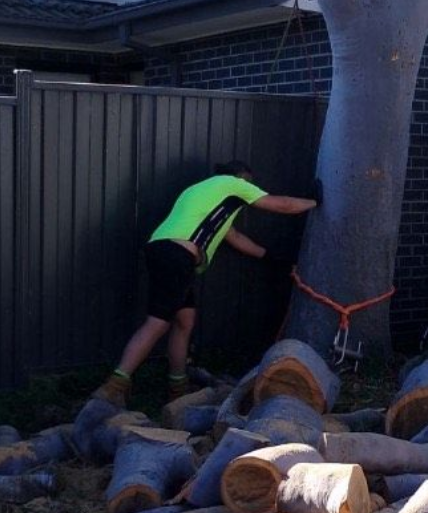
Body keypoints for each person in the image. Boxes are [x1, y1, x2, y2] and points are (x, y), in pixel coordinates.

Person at [92, 160, 318, 407]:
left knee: (184, 321)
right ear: (241, 178)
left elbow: (236, 238)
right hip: (179, 255)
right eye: (249, 183)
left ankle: (177, 389)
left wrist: (277, 261)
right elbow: (282, 204)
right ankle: (114, 386)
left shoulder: (205, 194)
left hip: (165, 250)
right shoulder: (233, 184)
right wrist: (315, 202)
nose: (250, 188)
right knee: (157, 323)